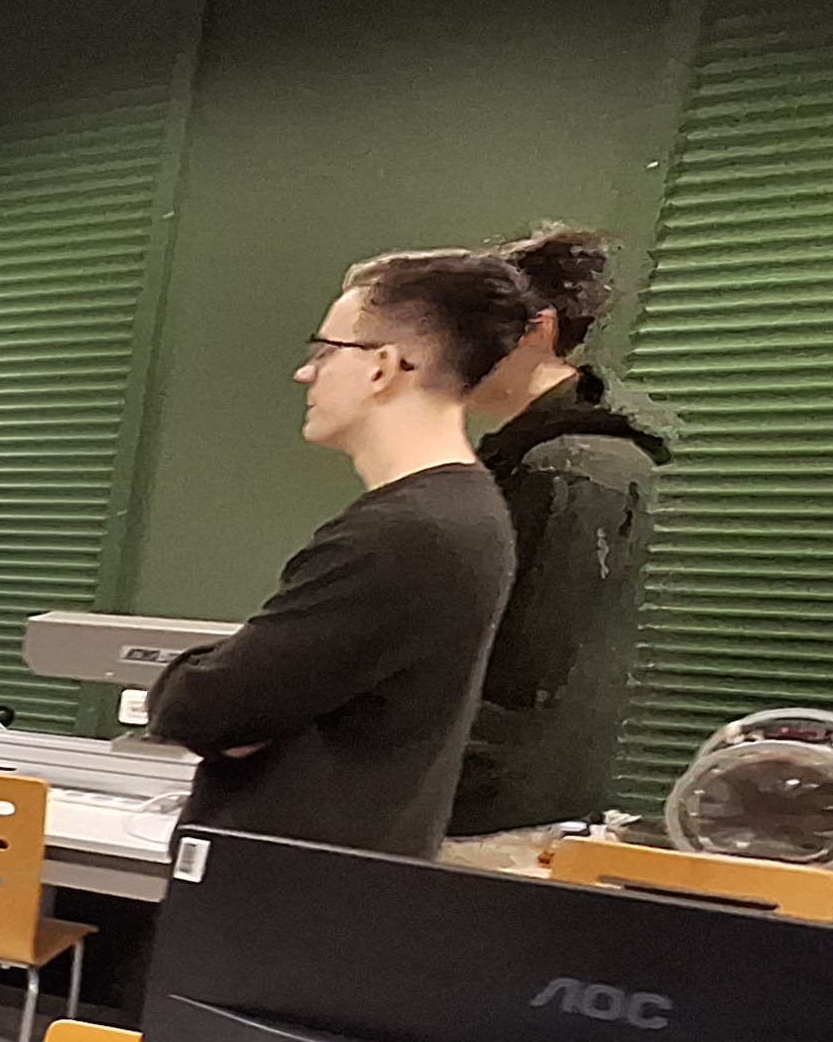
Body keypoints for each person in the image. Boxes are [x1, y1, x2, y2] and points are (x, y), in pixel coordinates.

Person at [149, 254, 527, 859]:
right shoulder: (463, 512)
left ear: (382, 367)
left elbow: (201, 712)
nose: (306, 373)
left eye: (325, 351)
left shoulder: (405, 534)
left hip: (292, 891)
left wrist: (207, 691)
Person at [439, 224, 677, 866]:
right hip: (498, 802)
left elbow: (529, 670)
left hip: (496, 815)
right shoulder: (552, 458)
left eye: (471, 335)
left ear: (537, 330)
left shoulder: (570, 468)